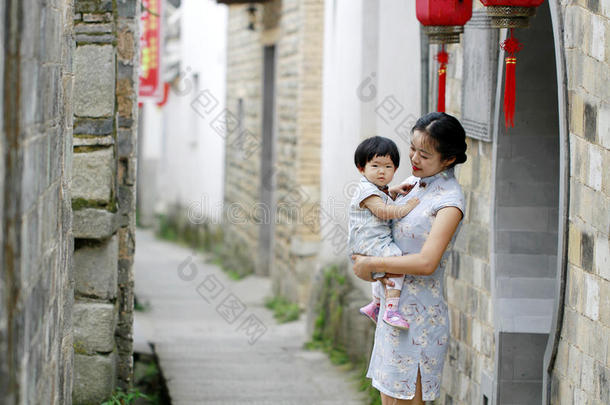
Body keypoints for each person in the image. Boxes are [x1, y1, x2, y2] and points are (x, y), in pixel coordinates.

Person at [351, 112, 468, 404]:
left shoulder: (449, 201)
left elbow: (426, 263)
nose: (413, 158)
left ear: (448, 159)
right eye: (412, 148)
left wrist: (373, 264)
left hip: (419, 322)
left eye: (424, 154)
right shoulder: (413, 183)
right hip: (393, 316)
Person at [348, 136, 420, 330]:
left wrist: (394, 191)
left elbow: (383, 198)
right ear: (361, 168)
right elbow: (383, 210)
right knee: (396, 259)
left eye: (388, 167)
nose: (382, 171)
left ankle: (376, 304)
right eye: (375, 166)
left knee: (385, 268)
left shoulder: (376, 189)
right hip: (369, 242)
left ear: (395, 169)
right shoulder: (367, 191)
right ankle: (391, 309)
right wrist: (408, 206)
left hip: (369, 241)